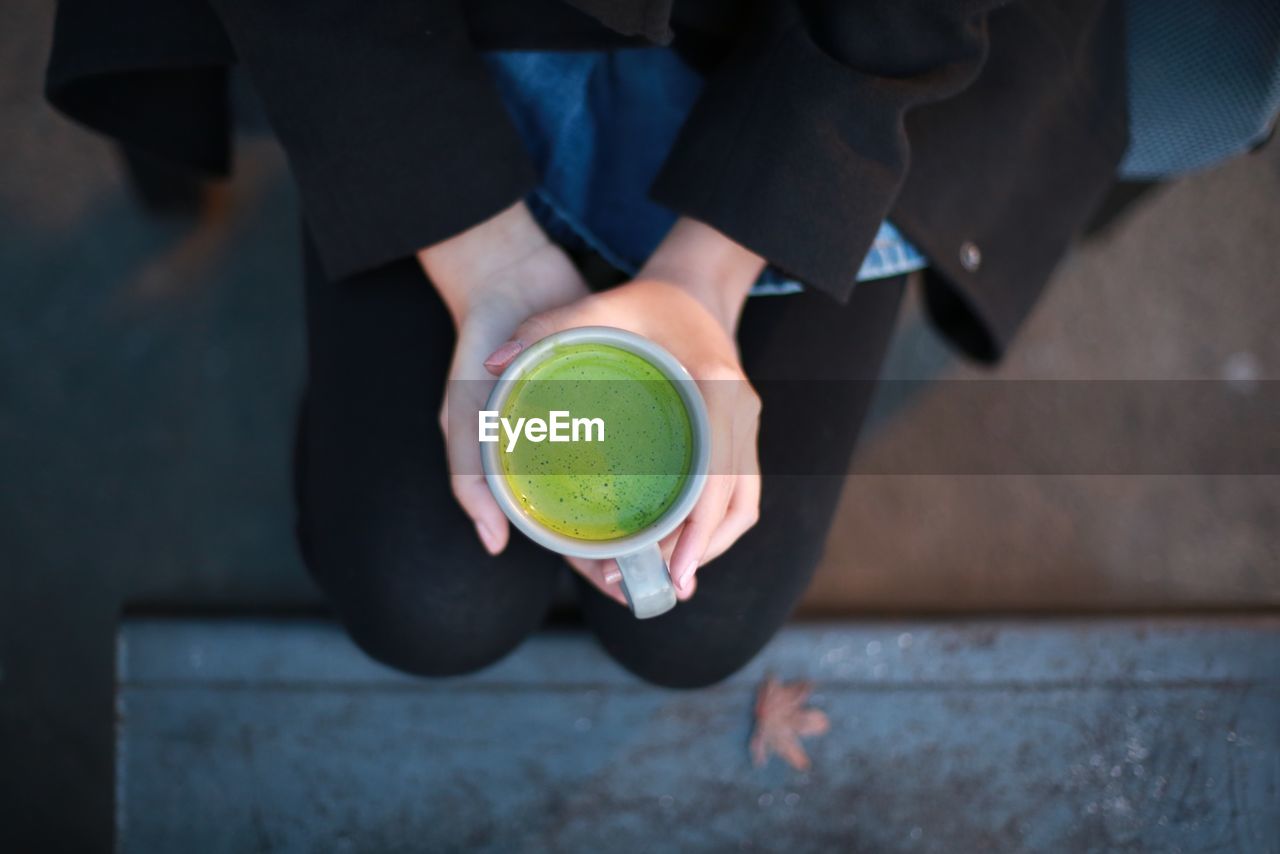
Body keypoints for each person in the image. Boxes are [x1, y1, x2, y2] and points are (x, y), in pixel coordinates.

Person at [46, 0, 1128, 687]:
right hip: (443, 33)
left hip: (824, 57)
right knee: (425, 600)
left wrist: (710, 268)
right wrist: (479, 255)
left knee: (698, 625)